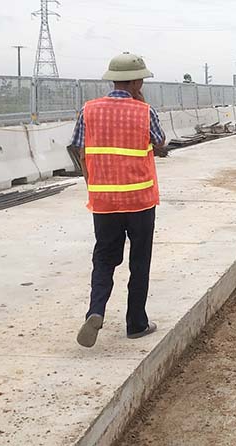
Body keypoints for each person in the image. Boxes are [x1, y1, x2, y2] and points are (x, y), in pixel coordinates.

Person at [70, 52, 168, 348]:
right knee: (139, 262)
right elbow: (160, 141)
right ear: (137, 81)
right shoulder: (143, 110)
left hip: (104, 202)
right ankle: (136, 323)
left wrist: (93, 181)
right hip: (140, 200)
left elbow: (77, 147)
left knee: (104, 258)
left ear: (112, 79)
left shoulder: (89, 110)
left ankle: (96, 311)